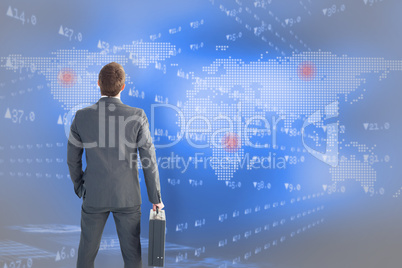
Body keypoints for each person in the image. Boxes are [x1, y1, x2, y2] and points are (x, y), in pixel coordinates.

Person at [67, 62, 164, 268]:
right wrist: (155, 198)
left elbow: (72, 158)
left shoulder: (81, 116)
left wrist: (80, 188)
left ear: (98, 84)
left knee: (86, 254)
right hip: (127, 197)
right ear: (123, 86)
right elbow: (149, 160)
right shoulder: (137, 116)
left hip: (93, 195)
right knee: (132, 257)